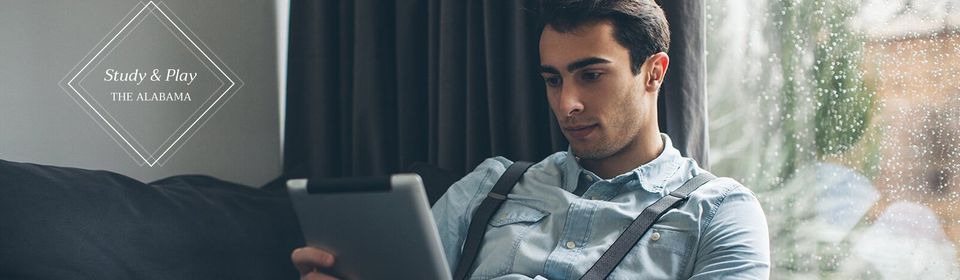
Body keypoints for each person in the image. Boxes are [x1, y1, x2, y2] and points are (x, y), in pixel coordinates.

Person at [292, 0, 770, 279]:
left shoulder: (719, 211)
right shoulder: (490, 185)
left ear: (653, 73)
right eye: (553, 80)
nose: (567, 104)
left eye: (591, 75)